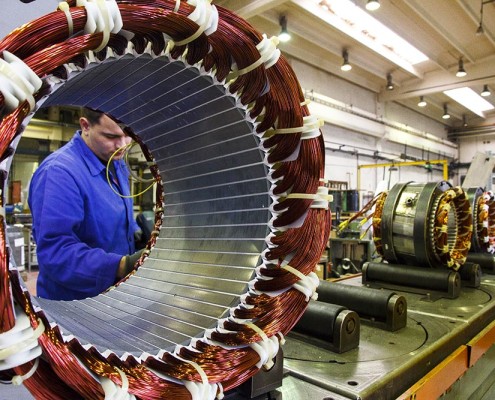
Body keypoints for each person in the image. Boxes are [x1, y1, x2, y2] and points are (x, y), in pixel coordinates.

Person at [28, 108, 143, 301]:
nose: (123, 145)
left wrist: (136, 233)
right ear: (85, 126)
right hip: (75, 304)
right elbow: (56, 253)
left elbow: (112, 213)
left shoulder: (115, 162)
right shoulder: (59, 173)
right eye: (111, 136)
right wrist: (122, 265)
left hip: (115, 296)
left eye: (128, 135)